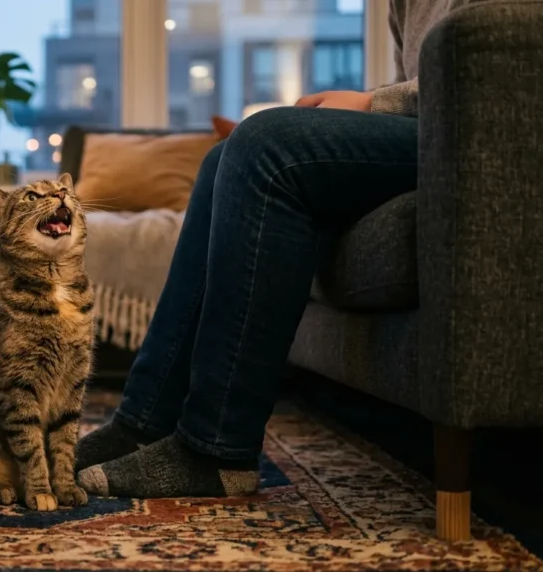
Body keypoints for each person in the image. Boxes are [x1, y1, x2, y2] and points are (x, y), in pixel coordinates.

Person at [74, 0, 470, 499]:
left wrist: (372, 103)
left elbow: (497, 74)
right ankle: (142, 422)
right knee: (223, 158)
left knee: (266, 144)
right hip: (420, 131)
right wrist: (375, 100)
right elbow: (407, 84)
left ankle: (216, 449)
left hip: (472, 132)